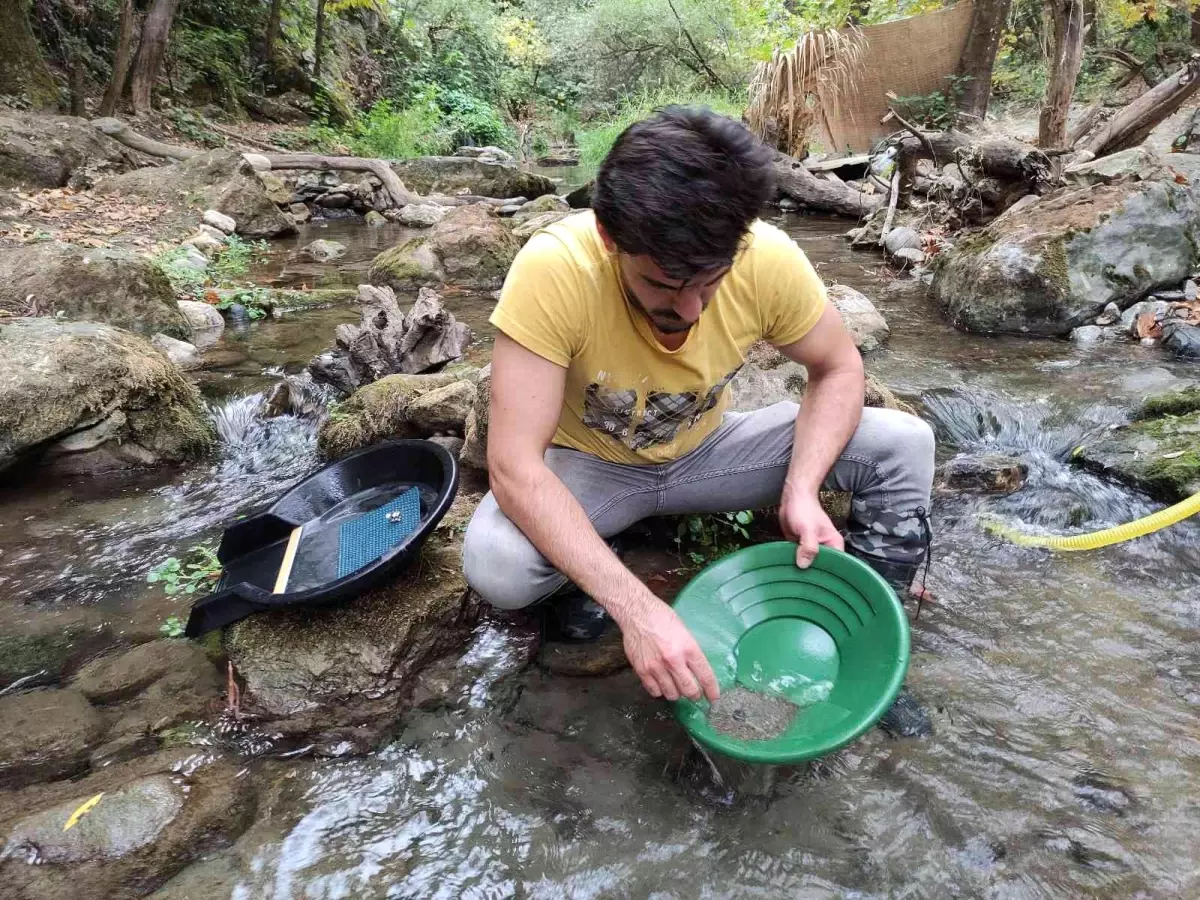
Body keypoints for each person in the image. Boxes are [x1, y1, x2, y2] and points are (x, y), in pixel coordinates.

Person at [462, 105, 935, 711]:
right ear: (609, 237)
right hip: (591, 467)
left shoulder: (767, 257)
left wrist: (802, 488)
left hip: (712, 452)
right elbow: (512, 467)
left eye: (708, 281)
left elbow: (838, 367)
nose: (689, 310)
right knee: (495, 562)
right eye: (663, 284)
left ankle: (875, 631)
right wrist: (638, 609)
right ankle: (584, 583)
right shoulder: (556, 268)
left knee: (902, 442)